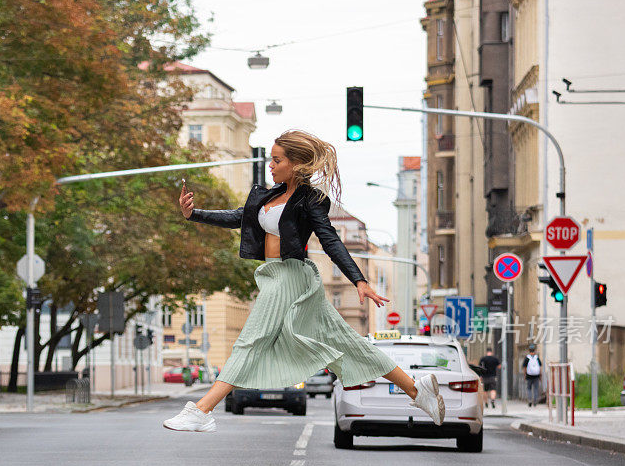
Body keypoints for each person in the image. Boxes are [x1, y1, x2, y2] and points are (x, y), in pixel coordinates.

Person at [163, 129, 445, 432]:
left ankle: (202, 409)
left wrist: (359, 280)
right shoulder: (271, 194)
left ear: (296, 164)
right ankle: (417, 390)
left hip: (292, 277)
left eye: (276, 160)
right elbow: (238, 218)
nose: (270, 165)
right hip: (274, 276)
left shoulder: (311, 200)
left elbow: (330, 240)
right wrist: (194, 214)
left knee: (251, 341)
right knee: (346, 342)